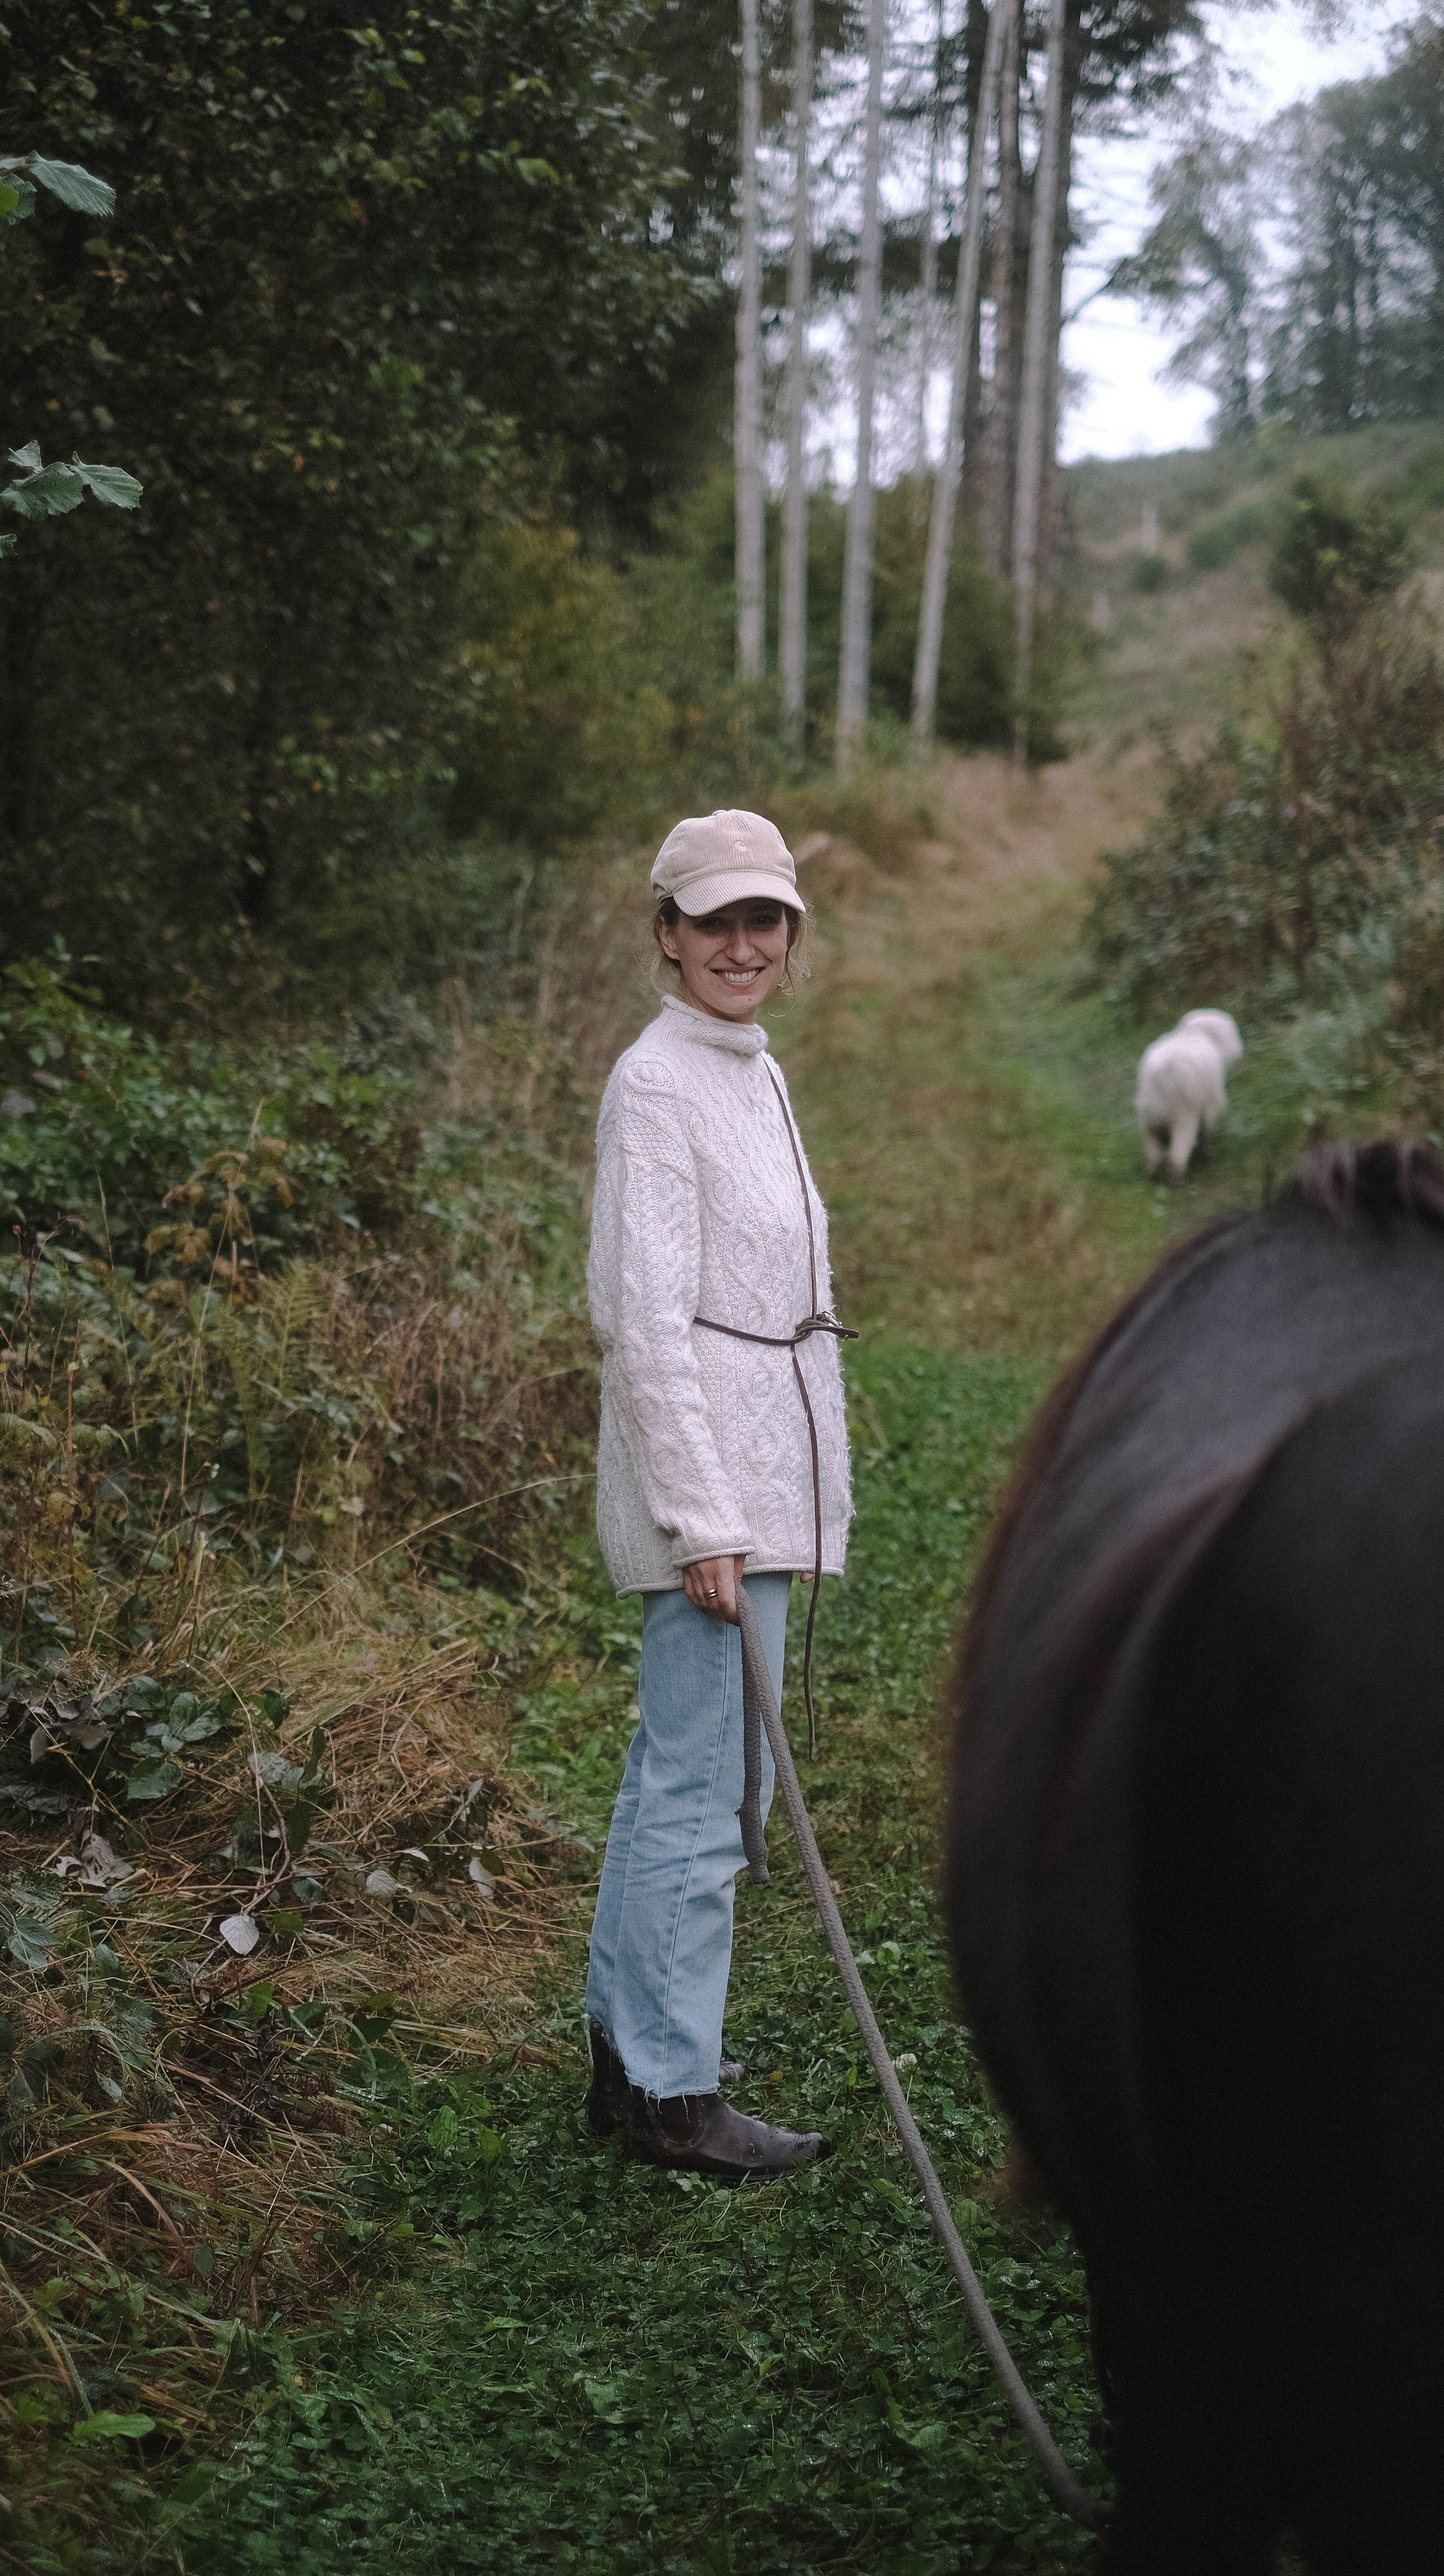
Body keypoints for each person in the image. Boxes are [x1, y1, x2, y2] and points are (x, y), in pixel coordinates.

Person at [583, 808, 852, 2180]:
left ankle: (627, 2053)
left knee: (669, 1776)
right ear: (666, 937)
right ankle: (672, 2095)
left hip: (757, 1470)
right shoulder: (656, 1085)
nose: (741, 945)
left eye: (765, 920)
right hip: (715, 1496)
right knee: (709, 1789)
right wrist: (703, 1517)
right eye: (714, 923)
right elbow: (644, 1319)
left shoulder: (744, 1065)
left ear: (788, 934)